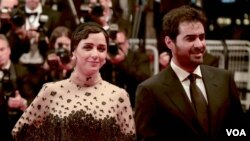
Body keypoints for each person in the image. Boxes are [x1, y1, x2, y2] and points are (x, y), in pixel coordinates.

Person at [134, 5, 245, 141]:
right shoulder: (150, 91)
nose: (199, 45)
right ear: (169, 42)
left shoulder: (224, 79)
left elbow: (238, 130)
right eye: (190, 38)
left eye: (202, 37)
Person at [12, 22, 136, 141]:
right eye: (87, 47)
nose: (95, 54)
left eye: (101, 49)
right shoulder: (51, 91)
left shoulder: (119, 96)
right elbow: (20, 133)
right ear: (73, 51)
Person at [100, 27, 151, 109]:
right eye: (112, 45)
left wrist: (122, 62)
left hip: (133, 106)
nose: (116, 48)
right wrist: (103, 62)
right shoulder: (102, 61)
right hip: (106, 108)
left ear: (127, 43)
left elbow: (144, 80)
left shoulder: (140, 58)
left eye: (120, 44)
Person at [0, 34, 35, 141]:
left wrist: (22, 103)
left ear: (9, 50)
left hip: (19, 126)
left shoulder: (21, 71)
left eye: (2, 49)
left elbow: (33, 100)